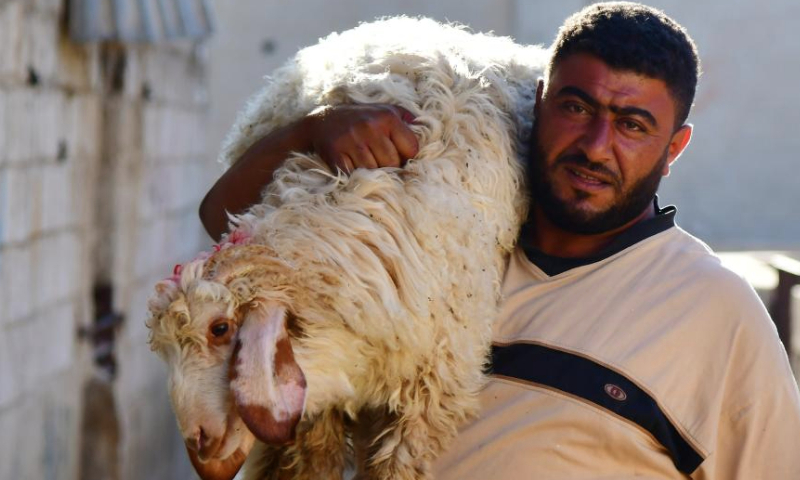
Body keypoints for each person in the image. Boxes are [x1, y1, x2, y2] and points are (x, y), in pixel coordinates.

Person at [199, 2, 800, 478]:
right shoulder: (440, 237)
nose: (595, 145)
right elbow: (223, 222)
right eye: (576, 106)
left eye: (632, 125)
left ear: (674, 148)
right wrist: (310, 132)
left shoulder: (716, 315)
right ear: (539, 102)